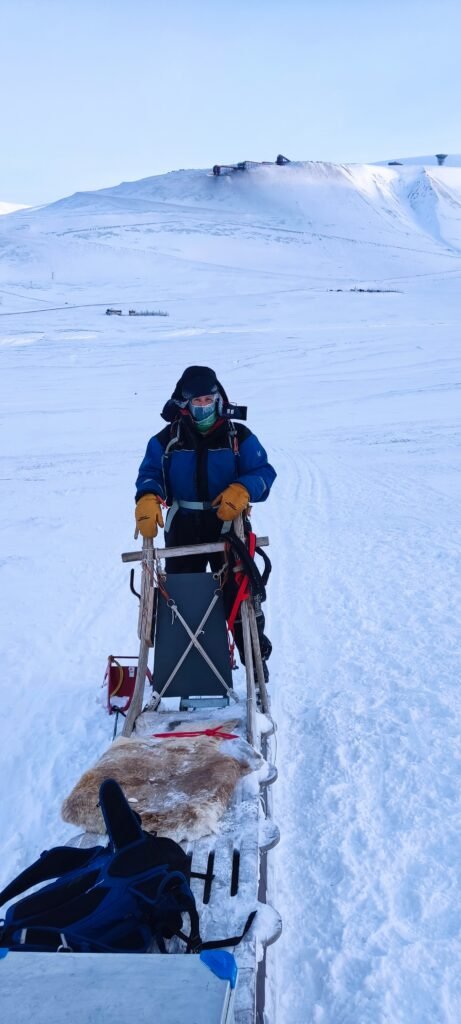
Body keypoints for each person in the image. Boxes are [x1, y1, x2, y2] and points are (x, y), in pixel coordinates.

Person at [135, 365, 276, 676]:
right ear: (184, 405)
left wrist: (244, 488)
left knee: (238, 597)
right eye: (196, 404)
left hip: (228, 527)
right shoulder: (166, 440)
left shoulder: (238, 436)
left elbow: (265, 473)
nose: (203, 410)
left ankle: (255, 666)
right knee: (182, 599)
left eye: (207, 402)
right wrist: (147, 496)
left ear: (218, 399)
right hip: (183, 526)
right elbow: (150, 474)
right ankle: (186, 672)